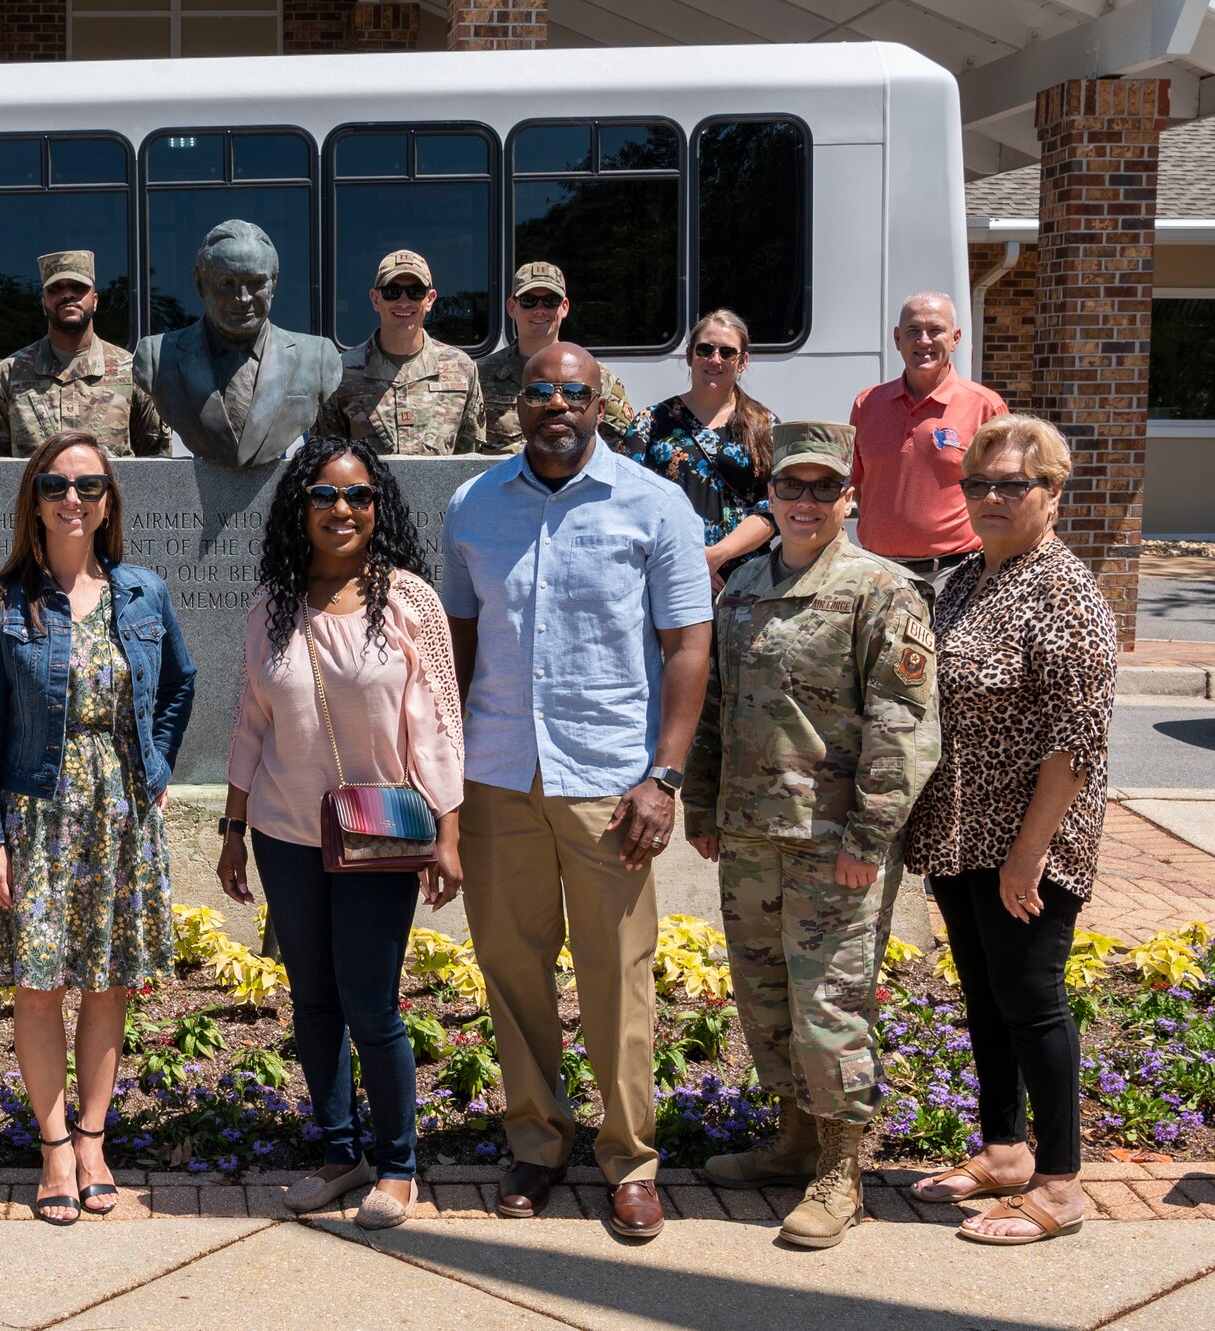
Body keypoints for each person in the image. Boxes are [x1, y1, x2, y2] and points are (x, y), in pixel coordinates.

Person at [442, 343, 711, 1238]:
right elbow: (460, 644)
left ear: (601, 405)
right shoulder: (473, 506)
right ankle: (537, 1142)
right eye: (541, 392)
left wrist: (663, 777)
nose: (556, 404)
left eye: (574, 392)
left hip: (610, 784)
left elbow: (687, 649)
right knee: (513, 971)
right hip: (497, 776)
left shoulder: (654, 504)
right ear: (519, 403)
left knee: (617, 977)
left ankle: (630, 1159)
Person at [684, 421, 940, 1249]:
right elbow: (716, 704)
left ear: (847, 498)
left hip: (835, 847)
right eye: (791, 486)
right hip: (751, 834)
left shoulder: (884, 591)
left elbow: (901, 731)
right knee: (765, 1000)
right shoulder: (745, 587)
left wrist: (869, 841)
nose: (805, 501)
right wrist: (702, 804)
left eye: (822, 488)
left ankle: (841, 1168)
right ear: (770, 495)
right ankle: (793, 1137)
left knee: (829, 1006)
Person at [220, 436, 464, 1231]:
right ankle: (339, 1153)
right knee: (313, 999)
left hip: (380, 833)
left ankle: (398, 1165)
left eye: (357, 495)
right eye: (323, 495)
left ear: (377, 505)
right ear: (301, 507)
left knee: (371, 1002)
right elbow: (252, 719)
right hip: (286, 832)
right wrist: (232, 826)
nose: (341, 509)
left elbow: (437, 723)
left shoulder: (409, 602)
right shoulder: (272, 604)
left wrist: (448, 828)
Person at [0, 431, 195, 1226]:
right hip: (36, 811)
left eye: (89, 486)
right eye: (57, 485)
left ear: (107, 503)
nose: (72, 498)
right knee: (39, 986)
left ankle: (95, 1139)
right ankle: (54, 1147)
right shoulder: (2, 604)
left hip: (119, 812)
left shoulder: (142, 593)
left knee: (106, 983)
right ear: (34, 497)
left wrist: (155, 765)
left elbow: (180, 685)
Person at [903, 414, 1117, 1247]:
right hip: (961, 837)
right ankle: (1003, 1151)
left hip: (1028, 845)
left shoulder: (1066, 594)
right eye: (978, 484)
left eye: (1012, 484)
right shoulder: (964, 577)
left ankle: (1061, 1185)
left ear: (1053, 494)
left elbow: (1076, 743)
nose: (991, 498)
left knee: (1032, 1002)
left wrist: (1028, 855)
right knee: (986, 1000)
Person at [133, 220, 344, 468]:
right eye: (226, 283)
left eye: (256, 282)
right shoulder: (156, 357)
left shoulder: (318, 358)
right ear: (200, 284)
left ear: (273, 284)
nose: (242, 298)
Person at [849, 292, 1007, 587]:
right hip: (875, 573)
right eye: (913, 331)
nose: (923, 340)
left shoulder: (985, 406)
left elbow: (1005, 494)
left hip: (953, 574)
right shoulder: (867, 403)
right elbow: (859, 484)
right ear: (897, 339)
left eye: (935, 330)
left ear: (956, 338)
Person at [617, 309, 778, 592]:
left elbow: (775, 506)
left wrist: (716, 556)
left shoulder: (765, 425)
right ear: (690, 355)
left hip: (748, 580)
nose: (715, 359)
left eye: (727, 352)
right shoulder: (651, 422)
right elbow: (624, 500)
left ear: (742, 362)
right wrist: (687, 559)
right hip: (669, 573)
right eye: (705, 349)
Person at [0, 252, 170, 458]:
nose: (67, 295)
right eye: (56, 289)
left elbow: (155, 463)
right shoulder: (11, 373)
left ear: (95, 301)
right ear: (43, 304)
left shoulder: (130, 371)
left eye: (78, 288)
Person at [316, 250, 484, 456]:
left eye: (415, 292)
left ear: (430, 299)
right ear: (375, 299)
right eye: (392, 291)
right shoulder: (342, 372)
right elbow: (328, 459)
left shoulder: (461, 369)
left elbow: (470, 460)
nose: (403, 302)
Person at [477, 262, 642, 456]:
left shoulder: (597, 376)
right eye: (529, 300)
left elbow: (625, 447)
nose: (539, 310)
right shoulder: (481, 375)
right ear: (512, 307)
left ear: (564, 307)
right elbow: (466, 446)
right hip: (501, 483)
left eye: (550, 301)